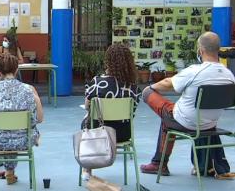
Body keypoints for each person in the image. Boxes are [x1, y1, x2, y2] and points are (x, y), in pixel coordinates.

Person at [140, 32, 235, 178]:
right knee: (171, 113)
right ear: (218, 49)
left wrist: (151, 87)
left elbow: (167, 84)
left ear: (200, 50)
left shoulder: (194, 71)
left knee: (149, 95)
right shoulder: (229, 76)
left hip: (186, 121)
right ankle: (203, 165)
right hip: (209, 124)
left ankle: (159, 164)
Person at [0, 53, 43, 184]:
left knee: (4, 133)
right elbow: (39, 118)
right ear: (17, 70)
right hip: (24, 141)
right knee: (15, 132)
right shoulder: (30, 90)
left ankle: (9, 172)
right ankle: (10, 172)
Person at [81, 43, 141, 180]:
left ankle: (87, 169)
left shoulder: (97, 82)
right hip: (123, 134)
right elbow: (132, 112)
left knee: (86, 122)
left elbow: (87, 106)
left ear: (107, 61)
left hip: (99, 133)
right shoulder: (134, 88)